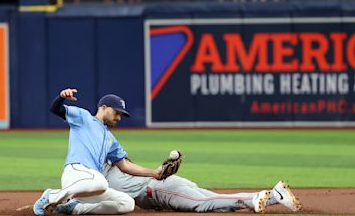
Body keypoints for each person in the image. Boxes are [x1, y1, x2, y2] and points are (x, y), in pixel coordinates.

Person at [33, 88, 162, 216]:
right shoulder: (83, 117)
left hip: (91, 185)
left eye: (120, 114)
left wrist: (155, 173)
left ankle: (74, 208)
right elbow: (56, 109)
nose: (119, 118)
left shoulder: (111, 139)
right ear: (103, 107)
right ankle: (52, 195)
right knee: (100, 182)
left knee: (126, 203)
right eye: (116, 112)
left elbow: (125, 166)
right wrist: (61, 97)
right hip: (76, 173)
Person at [53, 162, 302, 214]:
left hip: (161, 190)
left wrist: (55, 204)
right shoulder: (108, 171)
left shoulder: (103, 175)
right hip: (164, 188)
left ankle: (252, 200)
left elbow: (88, 198)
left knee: (203, 204)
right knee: (213, 201)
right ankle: (275, 195)